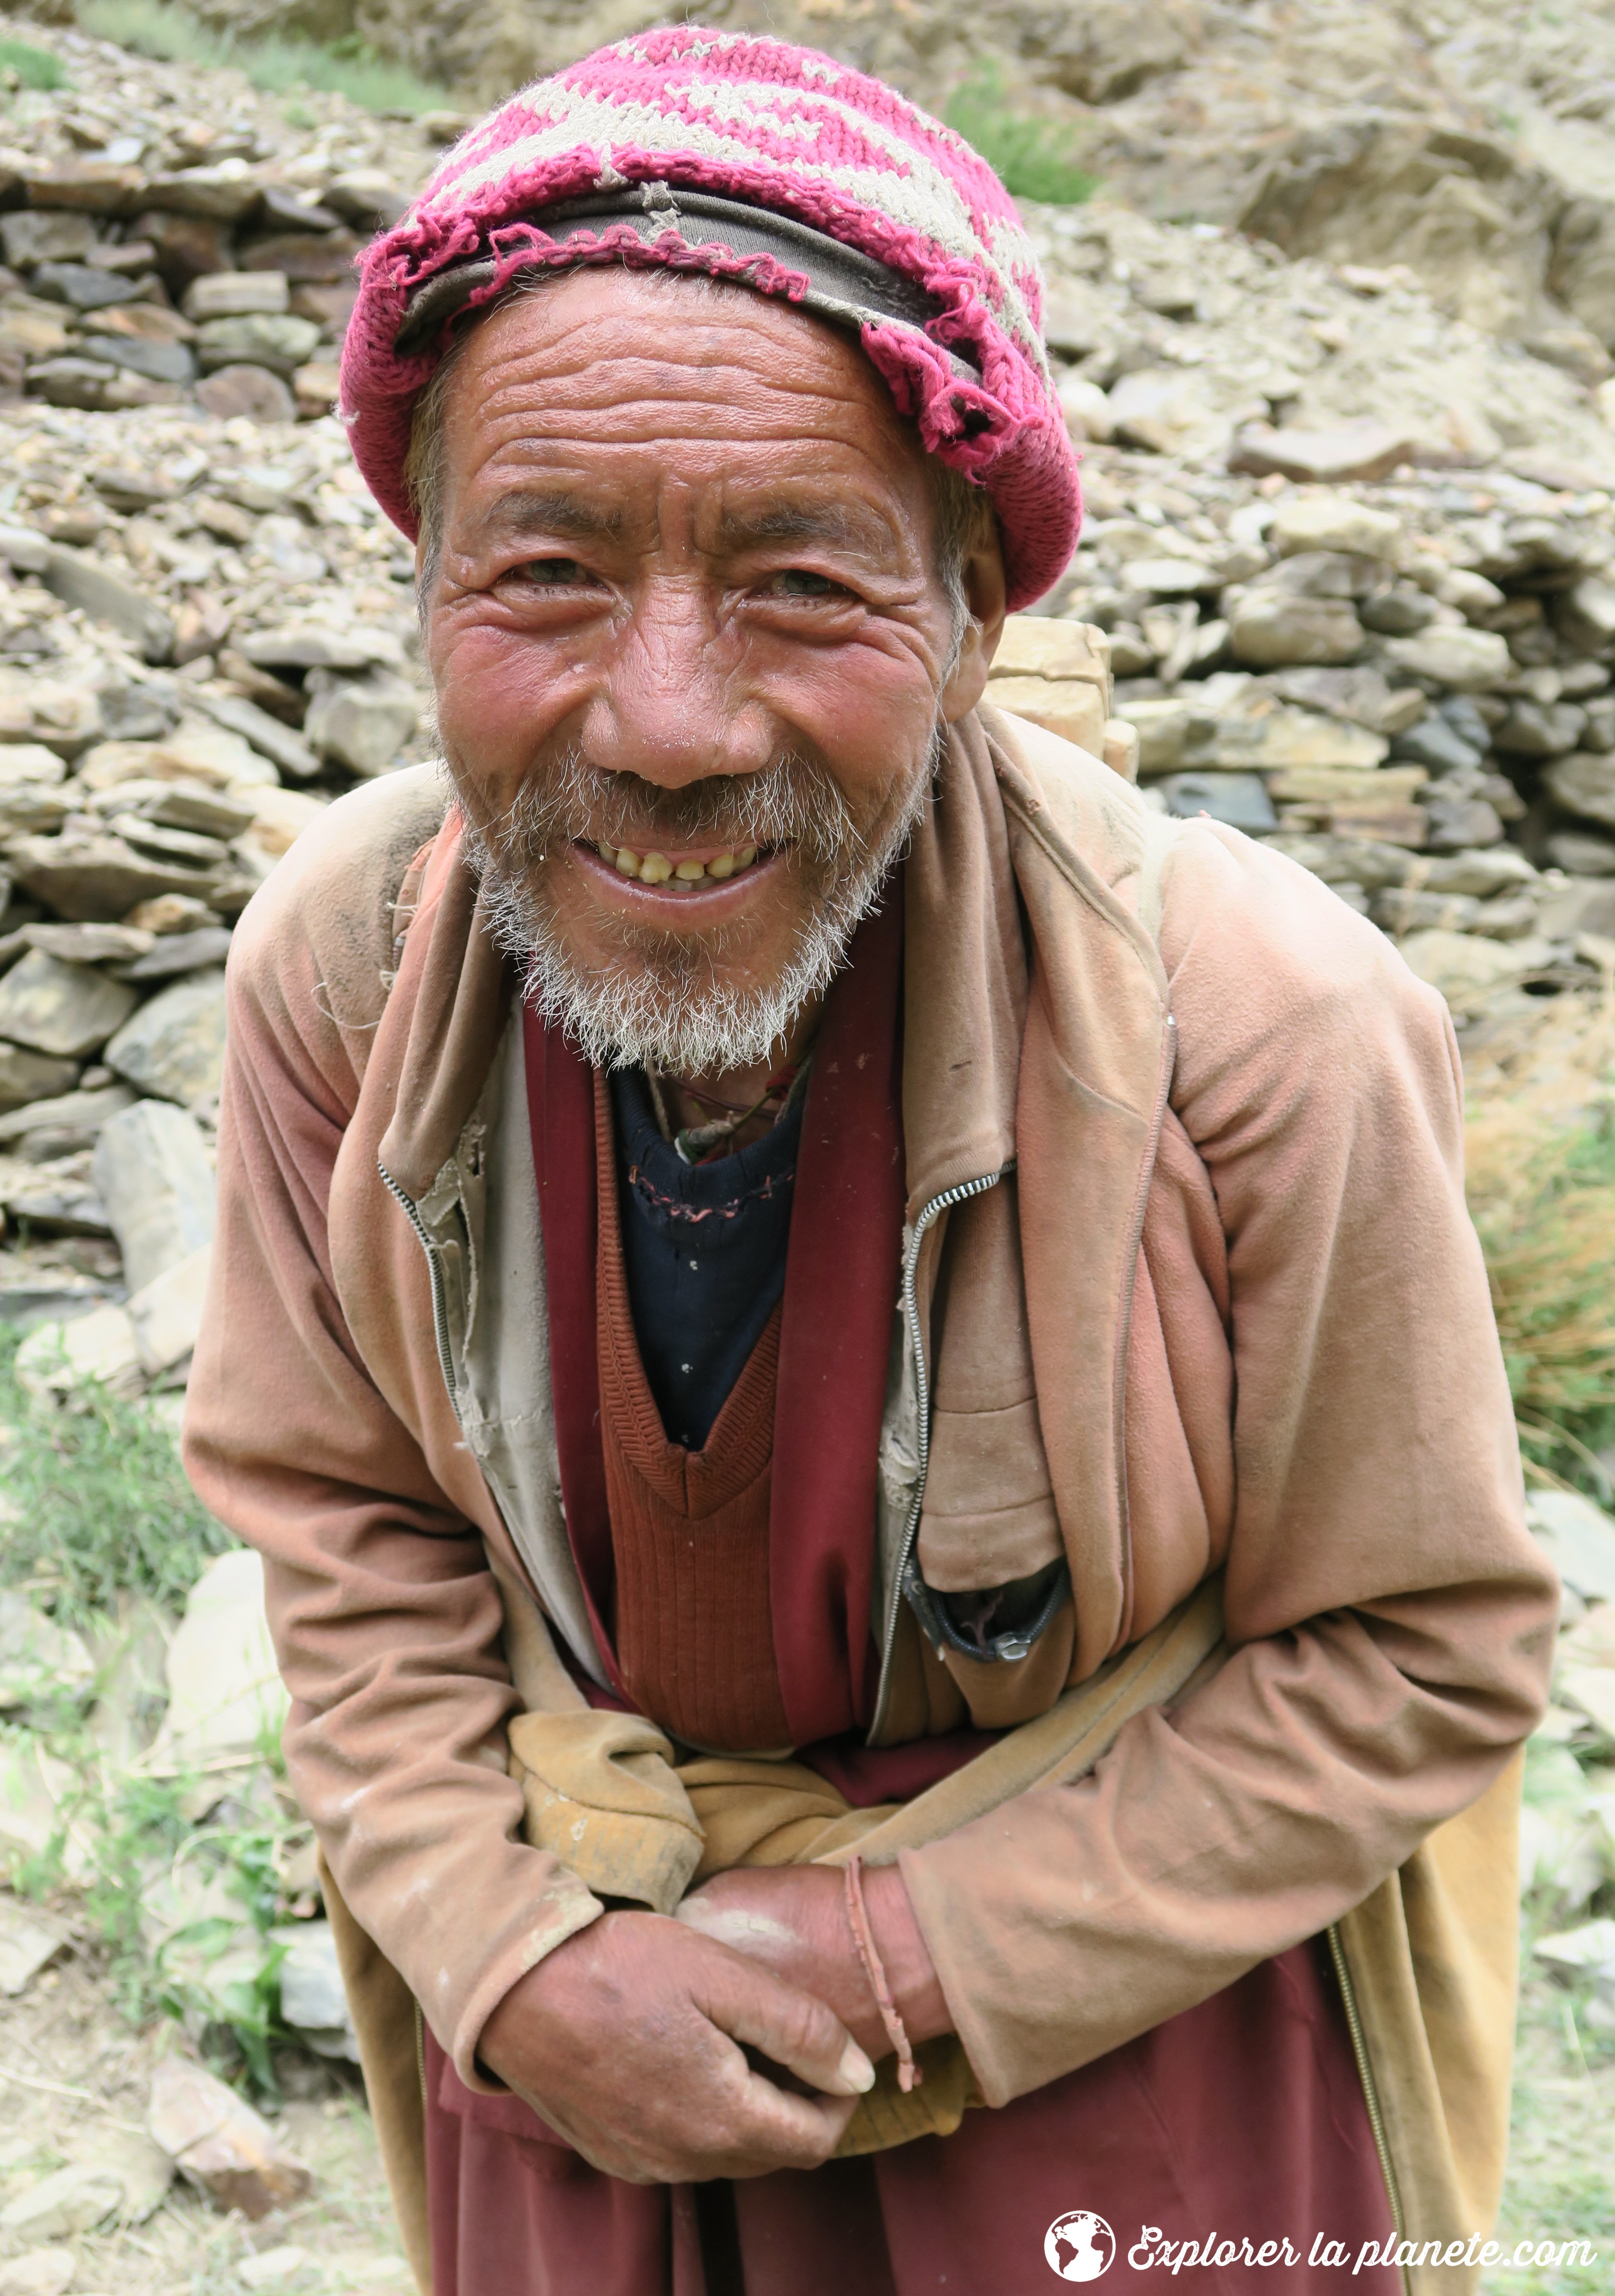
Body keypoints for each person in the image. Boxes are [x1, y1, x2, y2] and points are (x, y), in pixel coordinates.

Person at [184, 28, 1558, 2296]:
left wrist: (882, 1956)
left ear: (968, 617)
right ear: (420, 590)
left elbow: (1416, 1642)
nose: (668, 723)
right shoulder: (343, 974)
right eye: (539, 574)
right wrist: (508, 1954)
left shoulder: (1258, 1027)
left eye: (802, 585)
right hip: (578, 2065)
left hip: (1112, 2099)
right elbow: (338, 1517)